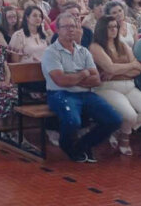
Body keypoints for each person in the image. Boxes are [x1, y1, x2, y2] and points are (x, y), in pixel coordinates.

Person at [41, 13, 122, 162]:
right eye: (65, 27)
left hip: (85, 94)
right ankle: (66, 145)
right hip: (60, 94)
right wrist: (84, 73)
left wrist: (72, 78)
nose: (70, 30)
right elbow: (60, 80)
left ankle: (82, 145)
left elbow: (96, 79)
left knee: (114, 120)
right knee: (73, 122)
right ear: (58, 30)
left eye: (73, 26)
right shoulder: (51, 52)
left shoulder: (83, 51)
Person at [90, 16, 141, 156]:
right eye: (110, 27)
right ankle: (125, 138)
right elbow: (110, 68)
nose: (114, 29)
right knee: (130, 115)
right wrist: (129, 66)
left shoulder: (122, 45)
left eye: (115, 26)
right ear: (102, 29)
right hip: (108, 87)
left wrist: (120, 70)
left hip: (129, 85)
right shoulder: (96, 47)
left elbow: (139, 69)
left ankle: (119, 131)